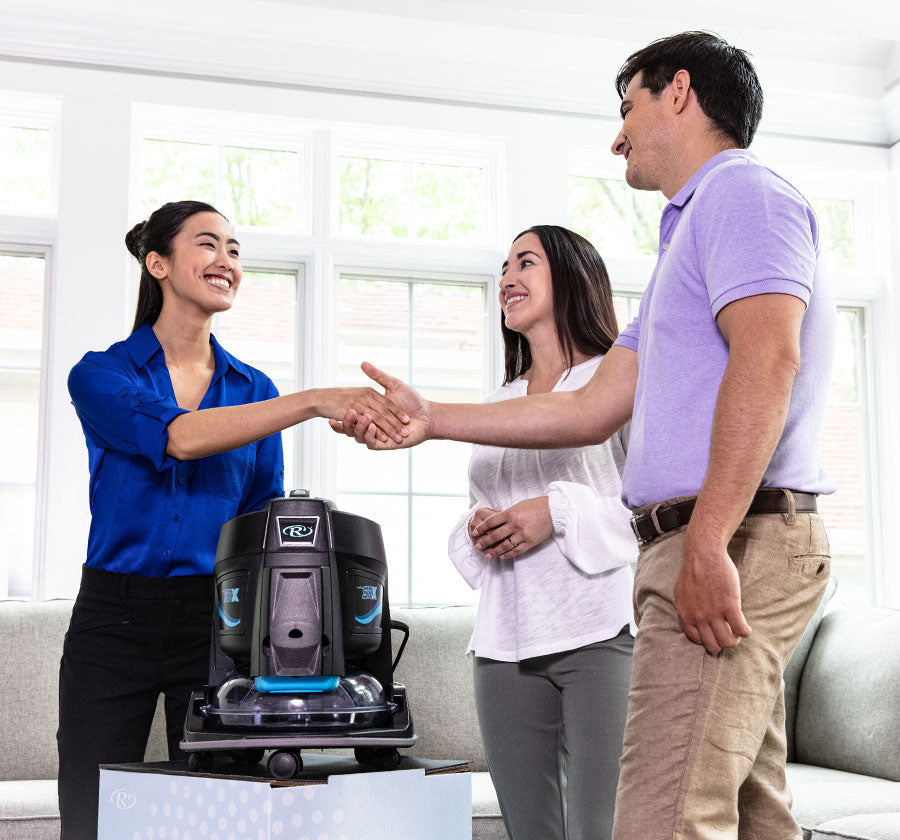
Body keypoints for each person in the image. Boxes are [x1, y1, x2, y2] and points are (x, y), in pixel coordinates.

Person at [333, 32, 836, 840]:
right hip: (704, 539)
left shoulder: (743, 193)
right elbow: (587, 407)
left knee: (662, 818)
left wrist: (706, 544)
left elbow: (770, 357)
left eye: (626, 106)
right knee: (752, 813)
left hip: (732, 536)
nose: (617, 135)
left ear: (678, 92)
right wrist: (430, 422)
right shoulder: (684, 240)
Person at [59, 200, 407, 840]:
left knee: (217, 818)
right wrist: (310, 402)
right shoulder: (101, 374)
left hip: (218, 621)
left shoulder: (254, 391)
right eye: (208, 244)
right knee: (92, 814)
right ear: (157, 263)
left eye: (235, 250)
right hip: (114, 619)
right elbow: (180, 438)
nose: (227, 261)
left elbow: (256, 534)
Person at [448, 225, 636, 840]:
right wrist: (480, 526)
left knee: (600, 830)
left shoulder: (619, 381)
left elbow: (651, 511)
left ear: (572, 275)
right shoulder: (500, 401)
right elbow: (484, 501)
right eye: (503, 267)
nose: (507, 278)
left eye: (525, 263)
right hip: (503, 641)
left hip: (600, 632)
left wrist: (553, 511)